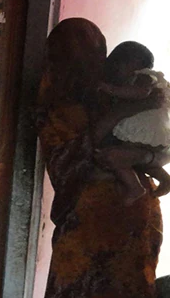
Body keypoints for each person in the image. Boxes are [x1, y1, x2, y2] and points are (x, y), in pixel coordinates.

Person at [36, 18, 163, 297]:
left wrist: (145, 154)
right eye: (83, 53)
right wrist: (122, 123)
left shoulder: (112, 89)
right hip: (89, 230)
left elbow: (151, 143)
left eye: (97, 51)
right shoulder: (56, 106)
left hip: (136, 226)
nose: (93, 61)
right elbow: (67, 166)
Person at [97, 41, 170, 204]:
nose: (119, 68)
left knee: (120, 156)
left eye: (124, 63)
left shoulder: (143, 77)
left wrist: (112, 90)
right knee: (124, 156)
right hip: (150, 138)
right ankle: (158, 179)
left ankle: (135, 187)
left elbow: (142, 92)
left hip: (145, 133)